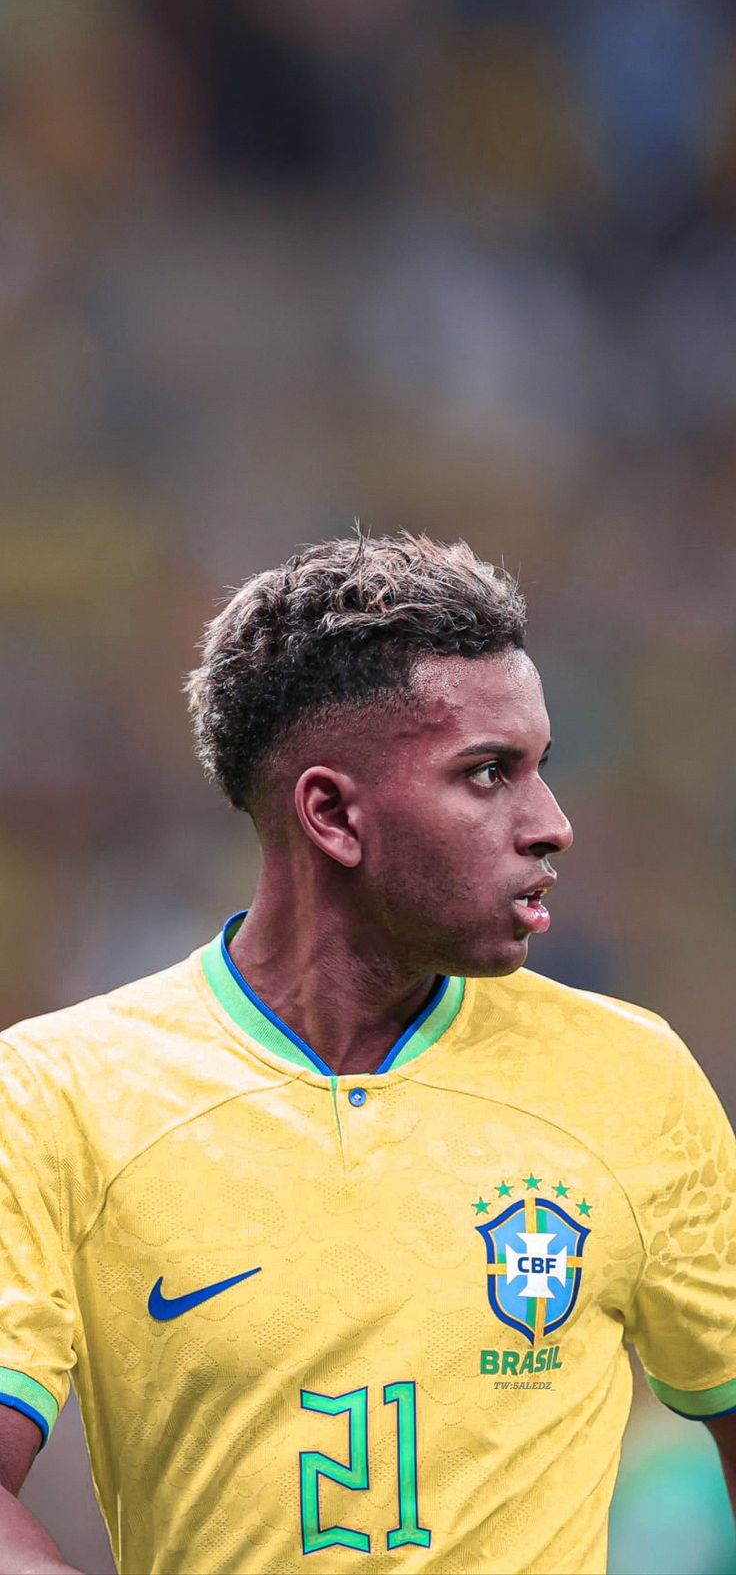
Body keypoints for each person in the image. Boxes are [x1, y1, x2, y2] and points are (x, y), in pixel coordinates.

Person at [0, 530, 733, 1575]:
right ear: (334, 815)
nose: (552, 825)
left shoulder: (632, 1077)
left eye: (541, 769)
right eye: (488, 775)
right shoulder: (59, 1092)